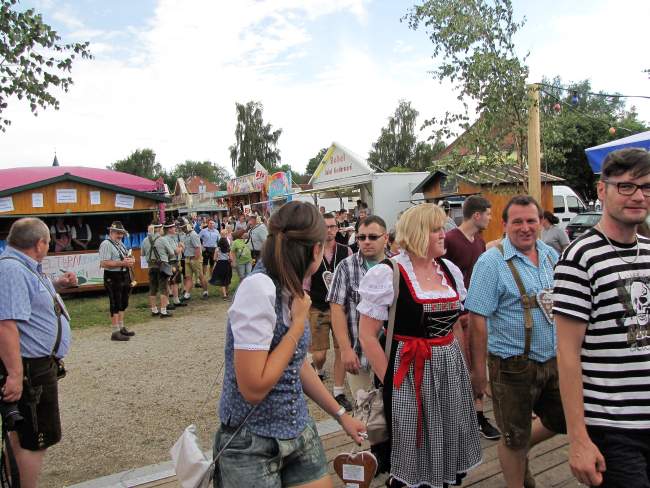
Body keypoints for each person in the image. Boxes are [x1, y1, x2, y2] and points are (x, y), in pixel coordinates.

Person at [214, 201, 365, 487]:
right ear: (316, 249)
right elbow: (253, 389)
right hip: (252, 442)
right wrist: (297, 325)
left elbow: (295, 364)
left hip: (298, 429)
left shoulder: (289, 285)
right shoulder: (258, 288)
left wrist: (341, 415)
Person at [358, 203, 482, 487]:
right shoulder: (388, 273)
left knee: (447, 436)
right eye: (436, 229)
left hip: (450, 370)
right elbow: (367, 336)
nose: (443, 234)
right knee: (411, 444)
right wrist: (392, 383)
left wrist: (466, 368)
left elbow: (454, 326)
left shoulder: (448, 270)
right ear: (417, 234)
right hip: (410, 371)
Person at [554, 148, 650, 487]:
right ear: (601, 190)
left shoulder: (648, 251)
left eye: (646, 187)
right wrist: (578, 438)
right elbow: (567, 353)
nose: (638, 196)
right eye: (626, 186)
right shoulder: (579, 258)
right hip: (613, 428)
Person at [465, 195, 567, 488]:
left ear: (541, 222)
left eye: (531, 221)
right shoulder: (490, 262)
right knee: (512, 437)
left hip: (552, 359)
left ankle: (523, 449)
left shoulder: (550, 255)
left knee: (564, 419)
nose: (525, 227)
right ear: (504, 224)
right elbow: (477, 319)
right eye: (517, 221)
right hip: (511, 365)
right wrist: (479, 371)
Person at [0, 218, 77, 488]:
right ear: (39, 243)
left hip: (36, 366)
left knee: (25, 435)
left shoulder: (22, 266)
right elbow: (5, 324)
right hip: (30, 368)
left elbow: (28, 298)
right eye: (48, 242)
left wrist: (58, 284)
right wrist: (15, 374)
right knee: (35, 440)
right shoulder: (12, 269)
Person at [327, 215, 391, 470]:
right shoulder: (346, 266)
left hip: (391, 351)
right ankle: (378, 457)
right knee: (368, 408)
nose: (366, 242)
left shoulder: (397, 265)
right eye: (361, 237)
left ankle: (395, 456)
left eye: (373, 237)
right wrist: (344, 349)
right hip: (359, 351)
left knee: (394, 405)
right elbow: (336, 309)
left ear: (385, 238)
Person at [444, 195, 501, 440]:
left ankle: (478, 416)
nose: (490, 218)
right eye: (488, 213)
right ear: (476, 215)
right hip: (454, 316)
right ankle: (461, 417)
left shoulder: (479, 241)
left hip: (475, 313)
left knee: (478, 364)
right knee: (462, 366)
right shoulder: (450, 240)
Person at [305, 212, 352, 409]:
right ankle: (319, 368)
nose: (329, 230)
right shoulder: (312, 252)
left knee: (342, 349)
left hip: (341, 308)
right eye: (325, 227)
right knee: (319, 354)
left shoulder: (346, 251)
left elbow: (352, 278)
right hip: (318, 307)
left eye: (332, 226)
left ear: (337, 228)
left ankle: (339, 391)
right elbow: (305, 284)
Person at [99, 221, 135, 342]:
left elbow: (125, 257)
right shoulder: (106, 244)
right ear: (111, 232)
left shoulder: (120, 243)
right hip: (112, 276)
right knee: (115, 303)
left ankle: (121, 327)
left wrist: (131, 260)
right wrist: (123, 263)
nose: (120, 235)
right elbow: (104, 263)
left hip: (123, 275)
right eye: (117, 233)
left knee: (123, 302)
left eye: (121, 233)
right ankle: (115, 331)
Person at [141, 223, 169, 316]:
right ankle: (163, 311)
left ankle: (154, 310)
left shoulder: (145, 240)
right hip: (162, 266)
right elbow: (171, 252)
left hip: (151, 266)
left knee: (153, 288)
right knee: (163, 288)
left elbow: (142, 254)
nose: (162, 230)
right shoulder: (162, 239)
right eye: (161, 228)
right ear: (158, 229)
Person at [181, 218, 208, 300]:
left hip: (195, 258)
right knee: (188, 277)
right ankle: (187, 294)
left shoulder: (193, 234)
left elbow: (197, 248)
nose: (182, 229)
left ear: (188, 226)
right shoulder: (185, 235)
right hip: (187, 258)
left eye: (183, 227)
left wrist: (195, 259)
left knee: (200, 276)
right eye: (182, 227)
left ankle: (205, 292)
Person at [162, 220, 186, 310]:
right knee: (169, 282)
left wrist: (180, 247)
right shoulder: (166, 239)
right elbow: (175, 252)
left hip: (175, 261)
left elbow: (180, 250)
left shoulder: (173, 238)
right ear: (169, 229)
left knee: (175, 282)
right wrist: (181, 246)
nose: (175, 228)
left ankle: (176, 300)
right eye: (173, 227)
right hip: (170, 262)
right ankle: (167, 302)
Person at [209, 231, 233, 300]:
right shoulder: (228, 249)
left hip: (220, 264)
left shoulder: (217, 249)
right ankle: (227, 292)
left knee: (221, 279)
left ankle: (224, 294)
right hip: (227, 264)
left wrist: (218, 260)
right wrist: (229, 260)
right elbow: (231, 258)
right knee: (227, 278)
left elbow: (214, 258)